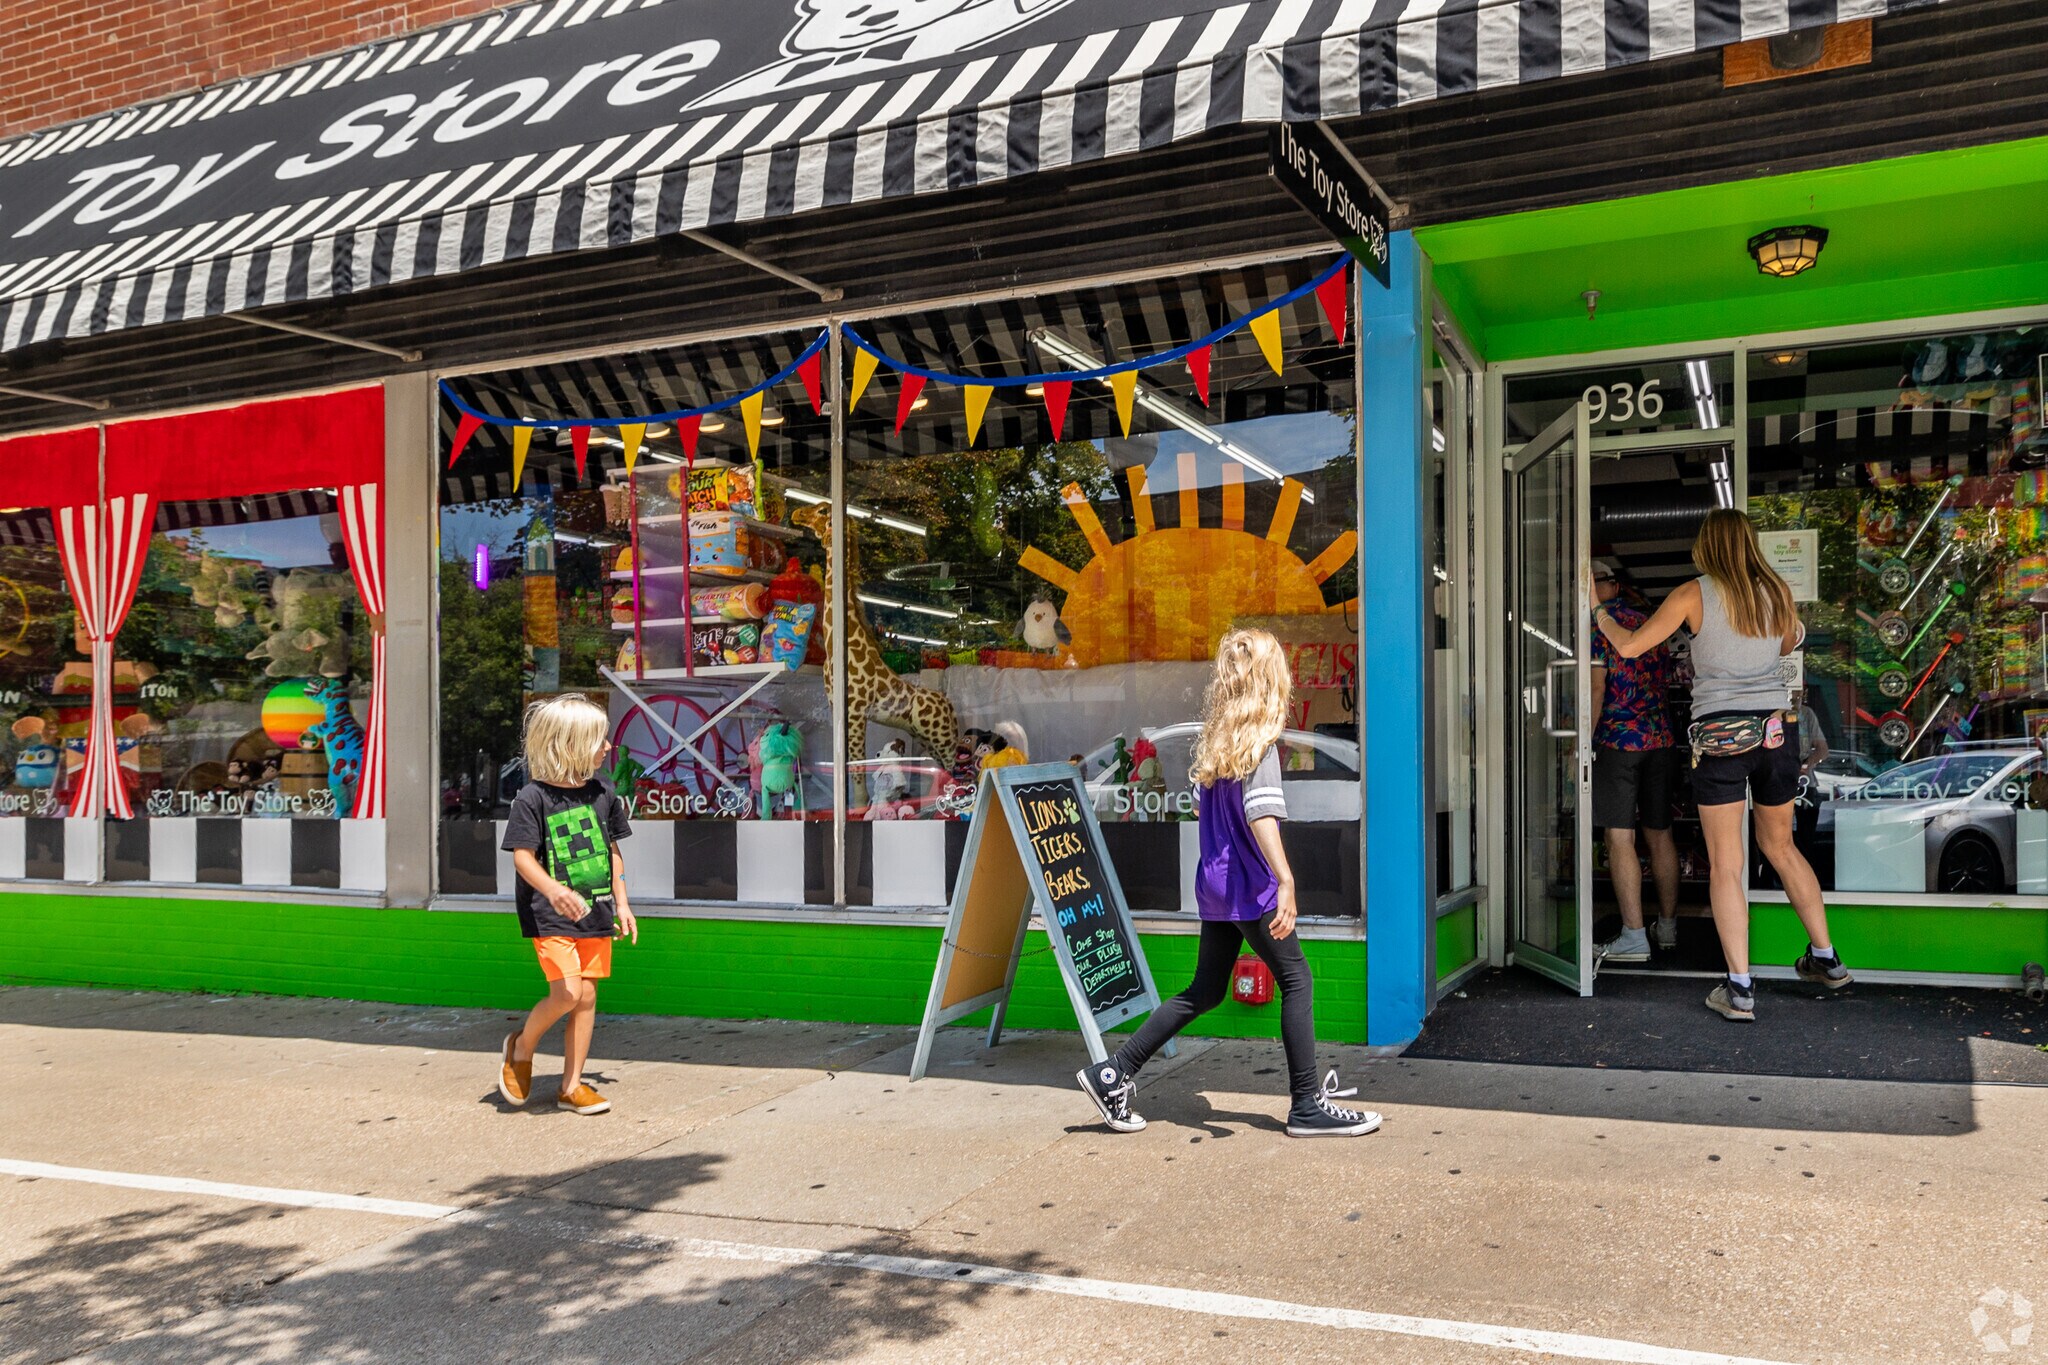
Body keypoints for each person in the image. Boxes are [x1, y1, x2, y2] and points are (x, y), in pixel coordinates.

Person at [1076, 628, 1380, 1137]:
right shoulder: (1260, 747)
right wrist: (1285, 880)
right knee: (1297, 980)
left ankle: (1113, 1072)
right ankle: (1307, 1106)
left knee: (1205, 990)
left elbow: (1203, 811)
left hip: (1216, 883)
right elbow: (1261, 816)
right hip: (1250, 886)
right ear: (1269, 680)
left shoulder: (1216, 747)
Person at [1591, 510, 1850, 1021]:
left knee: (1727, 864)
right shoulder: (1775, 591)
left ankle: (1740, 989)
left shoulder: (1693, 593)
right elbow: (1786, 644)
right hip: (1776, 732)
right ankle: (1826, 957)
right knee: (1782, 847)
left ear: (1706, 545)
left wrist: (1597, 611)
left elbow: (1629, 645)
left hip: (1722, 735)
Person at [497, 695, 638, 1114]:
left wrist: (623, 902)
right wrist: (554, 890)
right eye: (600, 739)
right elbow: (523, 857)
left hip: (596, 911)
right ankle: (521, 1047)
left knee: (587, 997)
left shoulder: (603, 792)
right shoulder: (532, 798)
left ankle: (571, 1087)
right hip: (550, 914)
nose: (609, 746)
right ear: (571, 743)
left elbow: (612, 851)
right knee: (567, 993)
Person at [1588, 559, 1680, 964]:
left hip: (1618, 741)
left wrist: (1583, 742)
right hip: (1660, 739)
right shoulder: (1652, 623)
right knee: (1660, 834)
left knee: (1619, 837)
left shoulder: (1599, 628)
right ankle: (1668, 927)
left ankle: (1633, 935)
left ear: (1610, 586)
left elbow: (1596, 688)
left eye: (1591, 581)